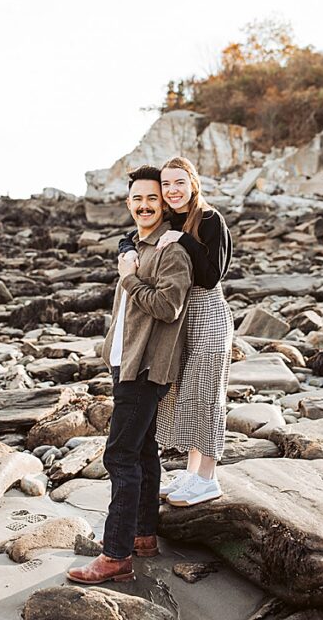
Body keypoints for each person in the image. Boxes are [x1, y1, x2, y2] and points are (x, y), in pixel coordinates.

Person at [66, 165, 193, 585]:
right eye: (137, 199)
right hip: (127, 362)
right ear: (128, 203)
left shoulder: (171, 250)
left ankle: (115, 555)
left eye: (152, 199)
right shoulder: (136, 246)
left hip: (145, 369)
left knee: (119, 457)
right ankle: (142, 536)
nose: (143, 205)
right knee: (142, 452)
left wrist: (130, 279)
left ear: (165, 203)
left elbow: (169, 306)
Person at [120, 156, 233, 507]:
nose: (171, 190)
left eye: (178, 183)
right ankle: (191, 471)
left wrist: (181, 240)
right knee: (188, 394)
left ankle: (208, 478)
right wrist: (127, 252)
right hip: (182, 319)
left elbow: (211, 274)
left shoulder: (210, 219)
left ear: (193, 183)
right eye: (166, 184)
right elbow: (130, 238)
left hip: (209, 313)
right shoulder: (172, 218)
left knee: (208, 395)